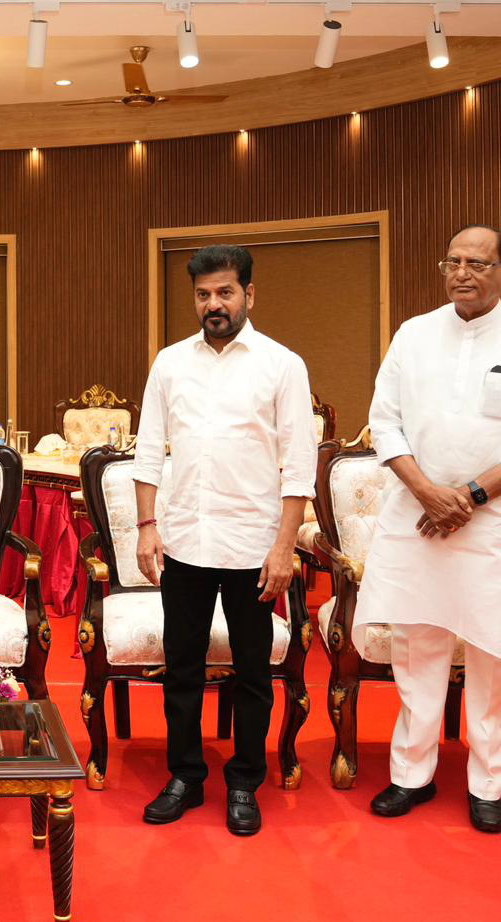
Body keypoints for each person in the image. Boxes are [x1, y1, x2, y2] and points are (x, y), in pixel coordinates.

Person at [358, 225, 501, 834]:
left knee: (492, 651)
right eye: (453, 261)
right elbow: (385, 422)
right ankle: (410, 775)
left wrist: (470, 497)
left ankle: (486, 784)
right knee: (416, 646)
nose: (463, 273)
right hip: (419, 516)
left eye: (478, 262)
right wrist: (428, 491)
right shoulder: (413, 334)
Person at [133, 244, 316, 835]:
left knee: (252, 674)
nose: (213, 304)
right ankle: (185, 775)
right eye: (204, 294)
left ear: (249, 295)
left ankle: (244, 781)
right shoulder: (169, 363)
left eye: (225, 293)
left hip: (253, 548)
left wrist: (285, 547)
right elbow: (147, 453)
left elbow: (298, 466)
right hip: (185, 540)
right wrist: (146, 527)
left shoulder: (282, 365)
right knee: (181, 668)